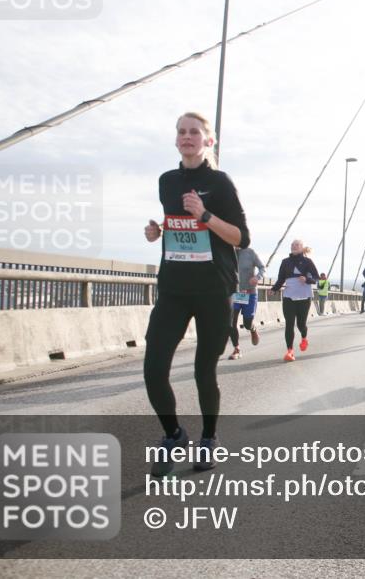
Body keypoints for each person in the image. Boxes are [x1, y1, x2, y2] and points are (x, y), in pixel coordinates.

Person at [143, 111, 249, 477]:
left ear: (208, 141)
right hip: (173, 288)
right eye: (181, 132)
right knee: (154, 369)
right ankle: (174, 434)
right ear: (176, 139)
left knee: (205, 371)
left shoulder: (220, 183)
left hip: (213, 289)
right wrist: (158, 231)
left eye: (194, 132)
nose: (187, 137)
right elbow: (176, 224)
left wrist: (205, 215)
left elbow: (241, 238)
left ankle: (208, 438)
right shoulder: (167, 181)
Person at [270, 240, 318, 362]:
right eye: (292, 245)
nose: (294, 246)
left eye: (297, 245)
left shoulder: (307, 262)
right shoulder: (285, 262)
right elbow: (281, 279)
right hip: (289, 296)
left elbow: (316, 278)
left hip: (304, 296)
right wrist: (274, 289)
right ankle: (290, 351)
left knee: (301, 324)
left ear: (302, 248)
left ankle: (304, 337)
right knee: (289, 323)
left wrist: (307, 279)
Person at [227, 246, 264, 360]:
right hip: (234, 293)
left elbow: (262, 267)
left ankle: (252, 329)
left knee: (247, 323)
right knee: (231, 322)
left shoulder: (250, 252)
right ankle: (237, 348)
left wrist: (257, 277)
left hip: (249, 292)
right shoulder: (227, 252)